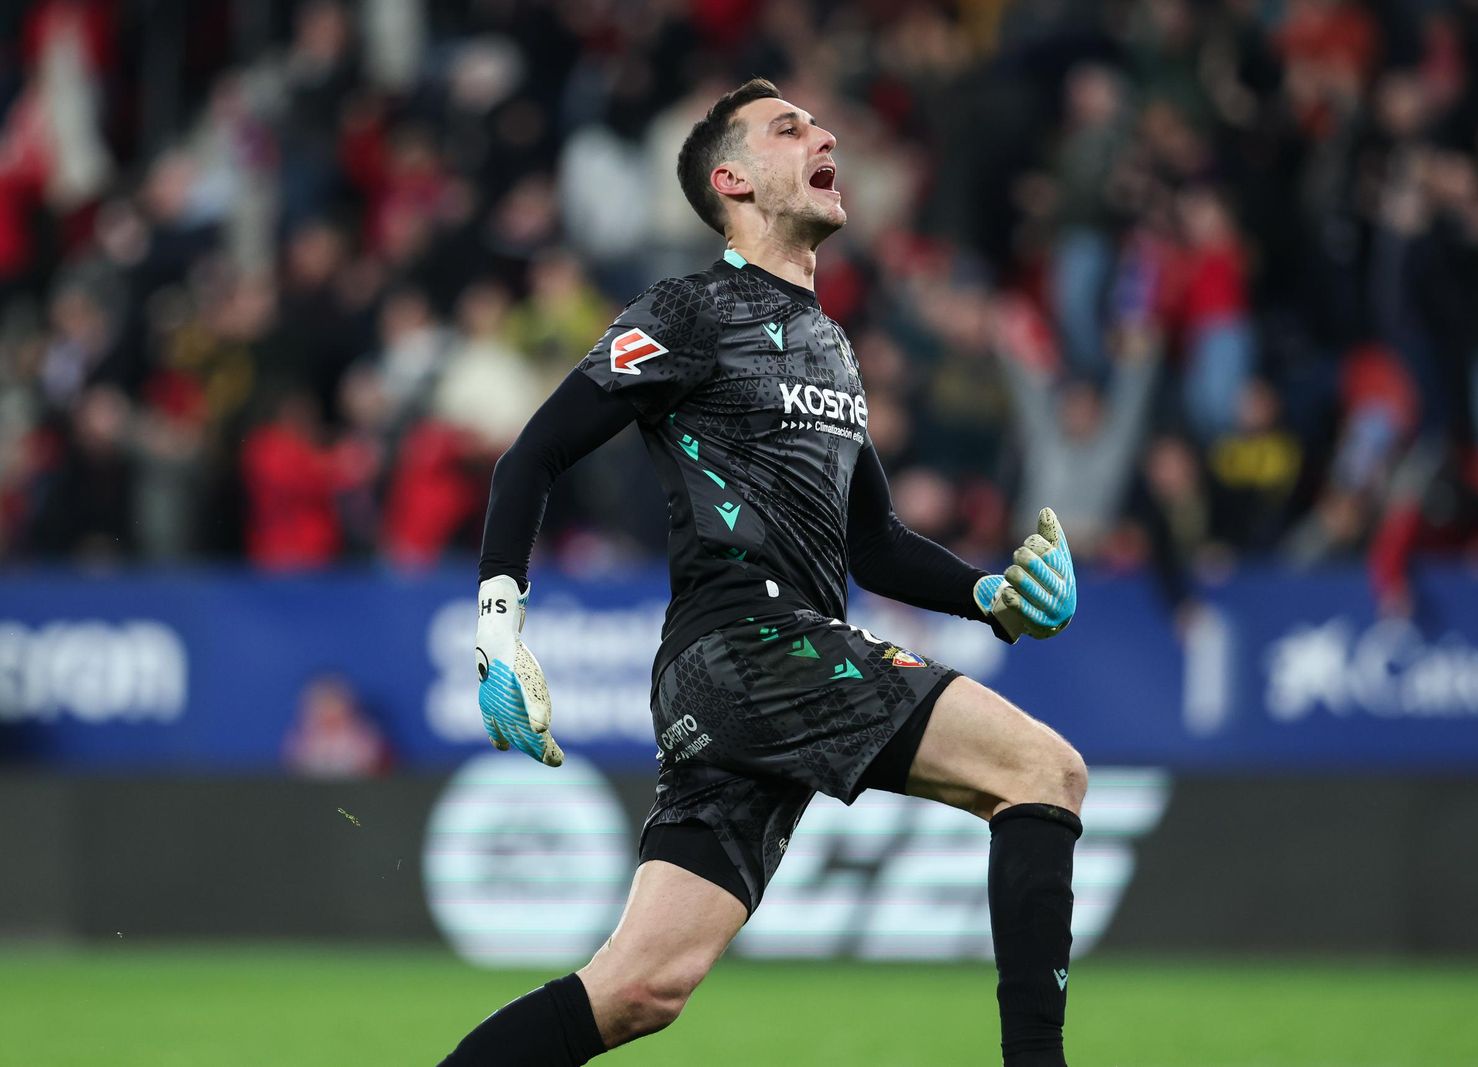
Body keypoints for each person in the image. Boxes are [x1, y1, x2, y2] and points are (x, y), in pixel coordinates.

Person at [443, 79, 1083, 1067]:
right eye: (790, 128)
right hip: (753, 642)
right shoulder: (691, 310)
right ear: (731, 180)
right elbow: (533, 453)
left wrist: (986, 596)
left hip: (736, 680)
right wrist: (497, 621)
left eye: (821, 125)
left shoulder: (829, 345)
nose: (822, 133)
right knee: (1043, 770)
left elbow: (870, 541)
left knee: (639, 987)